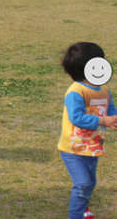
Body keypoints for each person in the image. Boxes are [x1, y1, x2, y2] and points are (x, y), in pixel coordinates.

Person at [57, 42, 117, 219]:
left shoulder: (103, 90)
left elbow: (110, 108)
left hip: (92, 145)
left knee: (90, 183)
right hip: (73, 148)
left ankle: (84, 209)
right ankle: (75, 215)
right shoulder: (76, 92)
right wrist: (103, 120)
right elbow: (76, 118)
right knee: (82, 183)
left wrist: (113, 118)